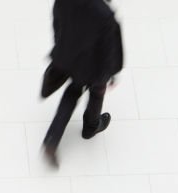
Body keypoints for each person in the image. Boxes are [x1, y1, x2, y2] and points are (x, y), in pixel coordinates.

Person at [41, 0, 124, 169]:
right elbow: (110, 50)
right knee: (97, 92)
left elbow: (57, 19)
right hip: (95, 67)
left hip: (70, 58)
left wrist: (61, 46)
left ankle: (52, 140)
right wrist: (111, 73)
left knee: (72, 93)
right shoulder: (105, 15)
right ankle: (91, 126)